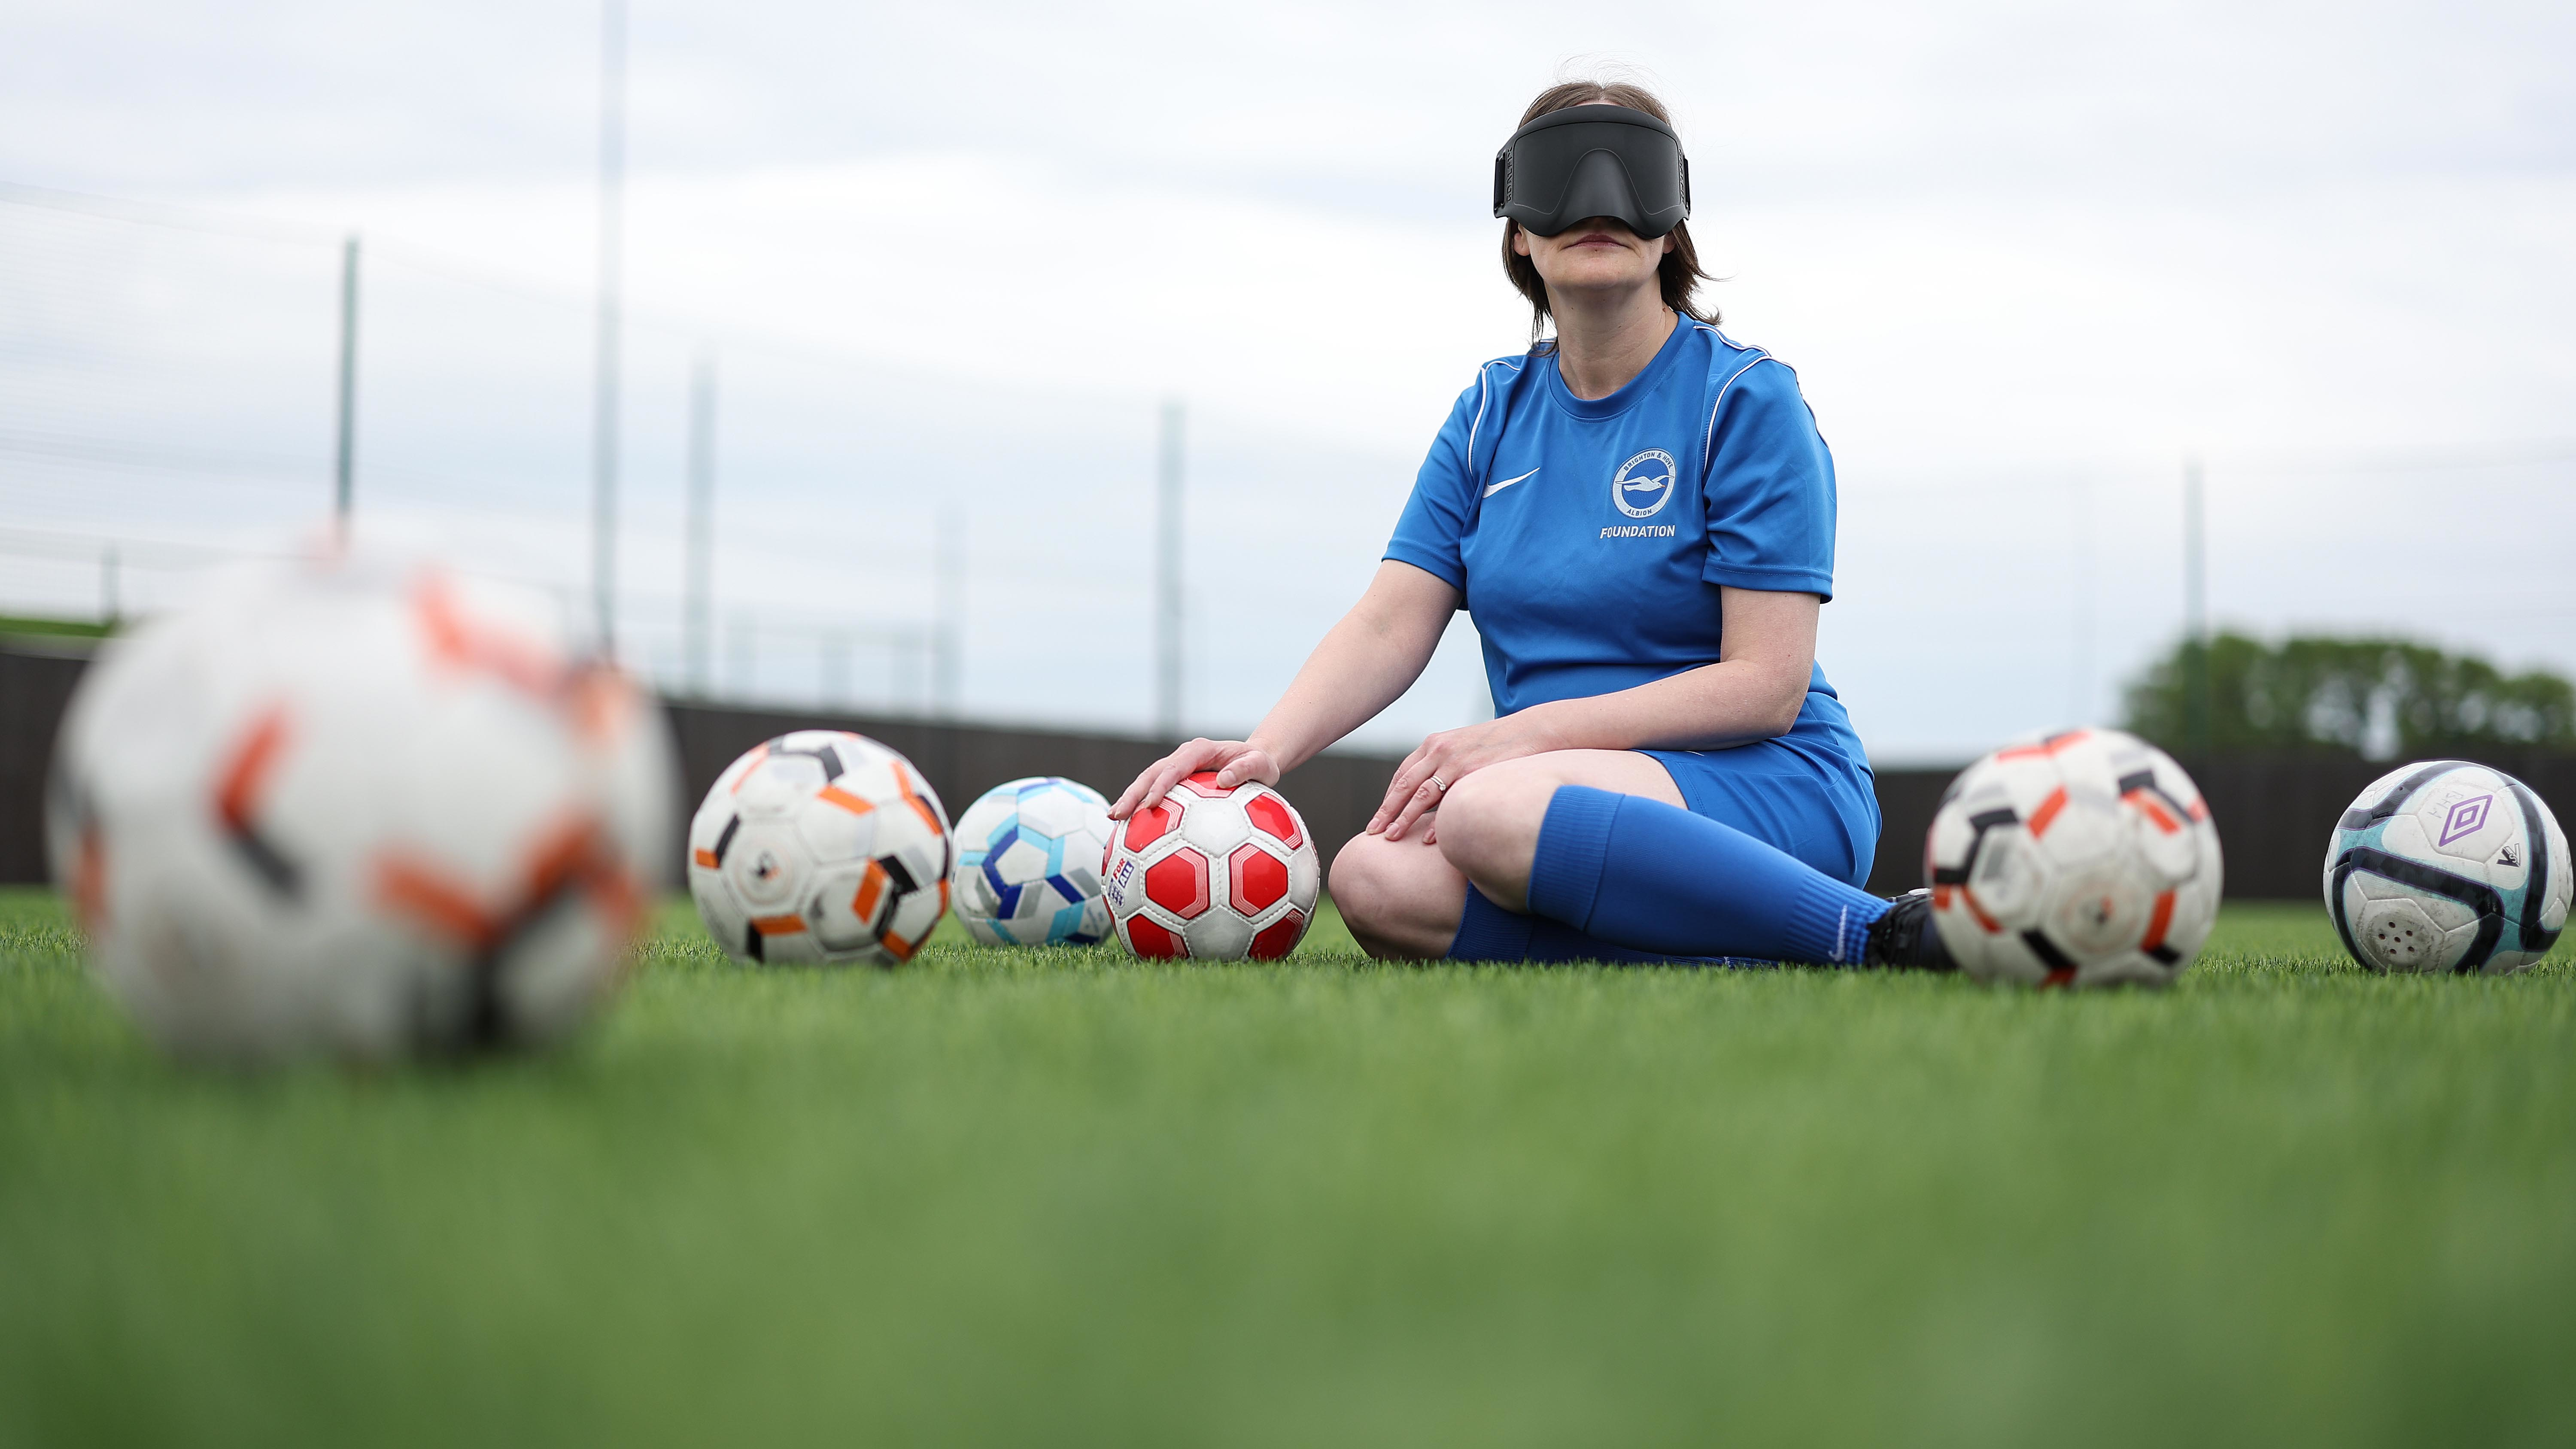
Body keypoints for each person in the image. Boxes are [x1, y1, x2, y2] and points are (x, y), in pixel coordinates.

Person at [1109, 79, 1950, 970]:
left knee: (1483, 809)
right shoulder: (1488, 415)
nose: (1600, 204)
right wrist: (1266, 749)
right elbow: (1389, 621)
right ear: (1519, 231)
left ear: (1671, 226)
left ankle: (1871, 933)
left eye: (1632, 179)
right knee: (1371, 877)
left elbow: (1767, 685)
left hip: (1767, 786)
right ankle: (1737, 944)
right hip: (1548, 800)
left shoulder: (1744, 401)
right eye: (1564, 179)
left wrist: (1523, 738)